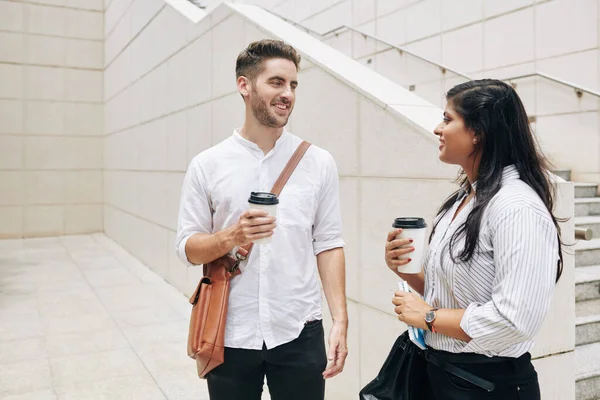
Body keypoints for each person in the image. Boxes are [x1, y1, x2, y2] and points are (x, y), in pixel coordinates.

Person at [175, 39, 348, 400]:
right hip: (230, 331)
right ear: (245, 86)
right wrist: (231, 236)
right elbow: (188, 248)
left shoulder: (318, 162)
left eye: (293, 85)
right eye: (276, 82)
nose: (288, 94)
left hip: (299, 330)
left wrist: (340, 321)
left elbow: (329, 243)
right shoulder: (208, 164)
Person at [384, 79, 564, 399]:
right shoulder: (467, 198)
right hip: (445, 374)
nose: (438, 129)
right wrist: (407, 272)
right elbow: (459, 296)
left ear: (478, 132)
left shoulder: (516, 207)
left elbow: (513, 320)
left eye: (448, 119)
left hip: (488, 384)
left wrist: (427, 317)